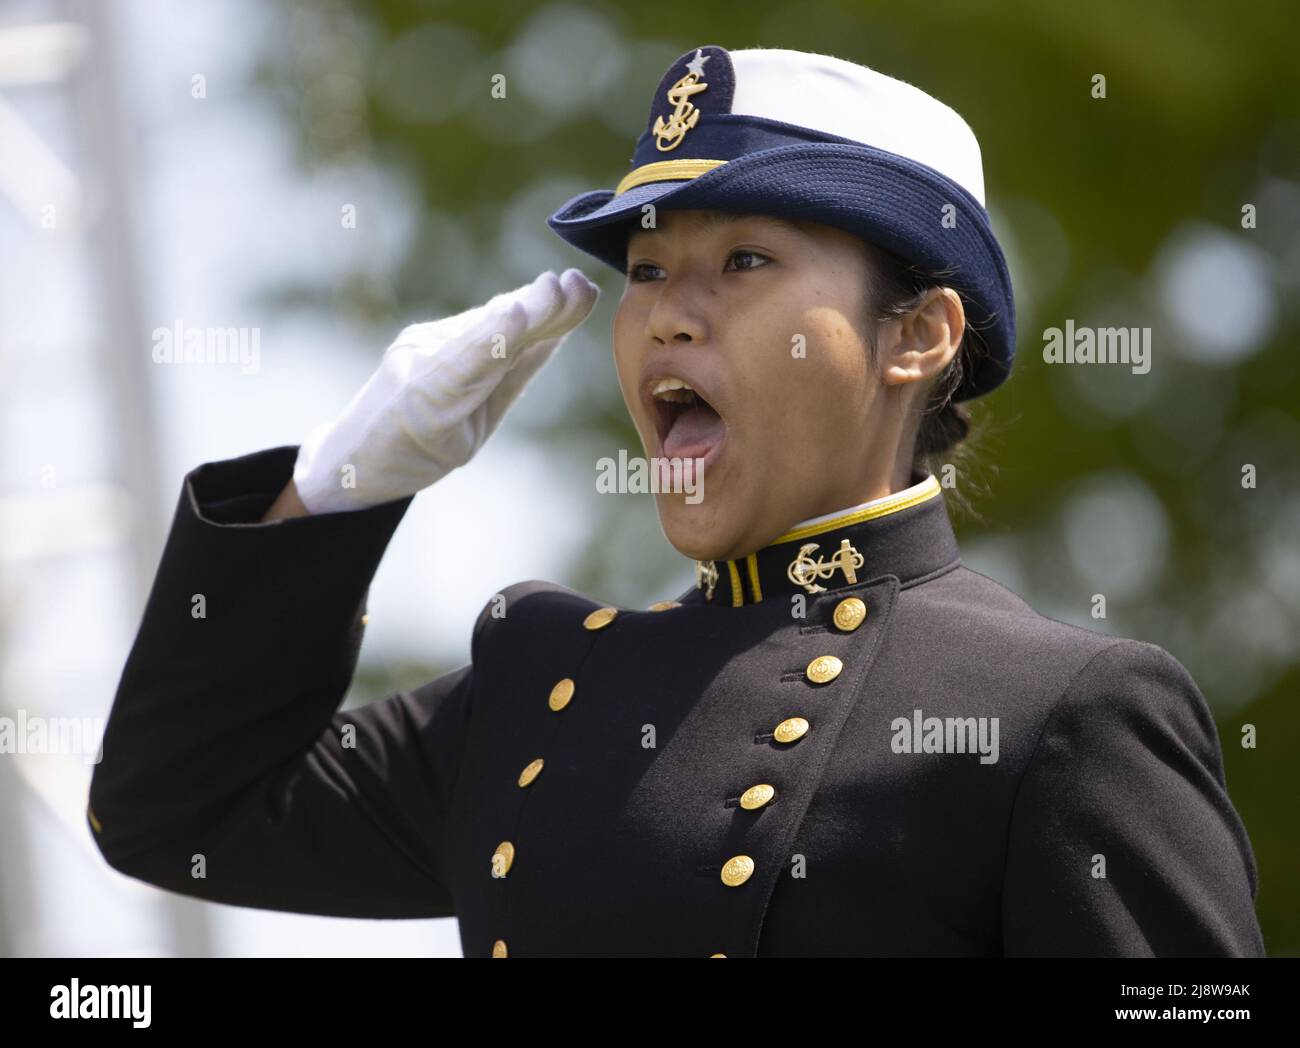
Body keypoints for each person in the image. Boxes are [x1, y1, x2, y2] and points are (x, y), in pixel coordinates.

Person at [88, 44, 1265, 957]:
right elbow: (177, 812)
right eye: (646, 271)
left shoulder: (1059, 711)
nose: (666, 312)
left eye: (743, 261)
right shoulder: (544, 685)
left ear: (915, 333)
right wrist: (331, 495)